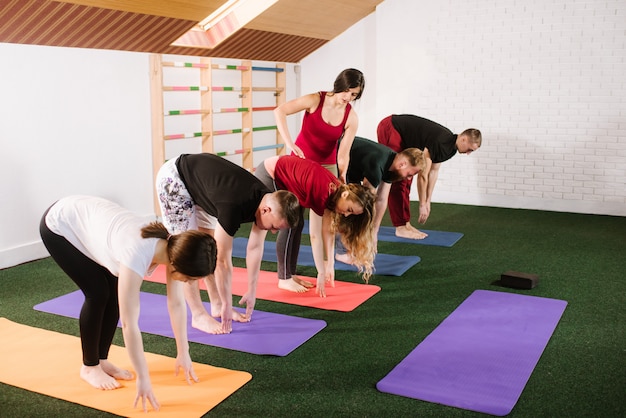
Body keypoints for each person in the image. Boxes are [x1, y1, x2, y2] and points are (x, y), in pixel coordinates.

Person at [39, 195, 217, 412]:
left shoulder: (174, 249)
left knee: (112, 293)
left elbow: (177, 304)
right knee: (97, 293)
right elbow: (130, 323)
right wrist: (143, 378)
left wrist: (183, 352)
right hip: (60, 226)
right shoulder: (136, 255)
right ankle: (89, 366)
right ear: (177, 265)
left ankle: (101, 360)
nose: (188, 283)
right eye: (189, 278)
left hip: (94, 225)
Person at [156, 153, 300, 335]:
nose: (272, 231)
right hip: (175, 179)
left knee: (208, 246)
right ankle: (198, 314)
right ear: (266, 210)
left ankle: (215, 304)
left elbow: (255, 248)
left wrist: (251, 291)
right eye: (273, 226)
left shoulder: (266, 198)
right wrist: (228, 303)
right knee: (190, 253)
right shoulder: (234, 207)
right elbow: (222, 260)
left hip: (202, 185)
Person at [255, 155, 376, 297]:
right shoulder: (323, 191)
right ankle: (284, 278)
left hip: (290, 180)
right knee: (289, 224)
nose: (346, 215)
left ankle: (291, 274)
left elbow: (328, 231)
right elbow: (315, 236)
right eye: (349, 210)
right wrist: (320, 271)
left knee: (297, 224)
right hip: (272, 174)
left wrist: (330, 263)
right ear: (344, 195)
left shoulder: (335, 193)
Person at [377, 114, 482, 239]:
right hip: (392, 127)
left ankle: (405, 224)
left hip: (403, 135)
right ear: (464, 139)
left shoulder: (451, 149)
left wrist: (428, 201)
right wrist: (422, 204)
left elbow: (433, 172)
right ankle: (400, 227)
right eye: (469, 149)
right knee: (399, 178)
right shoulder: (441, 141)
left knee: (407, 180)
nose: (468, 153)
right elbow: (423, 174)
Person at [335, 136, 426, 264]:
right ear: (403, 164)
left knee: (357, 210)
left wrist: (374, 233)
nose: (409, 179)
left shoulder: (392, 164)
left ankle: (349, 248)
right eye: (410, 174)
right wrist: (366, 237)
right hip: (334, 156)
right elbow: (365, 204)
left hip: (352, 168)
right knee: (350, 208)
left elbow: (381, 200)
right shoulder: (377, 164)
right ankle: (342, 252)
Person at [274, 68, 365, 183]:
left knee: (329, 199)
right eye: (346, 90)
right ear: (339, 84)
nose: (347, 97)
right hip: (302, 159)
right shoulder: (315, 99)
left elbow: (343, 154)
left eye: (353, 94)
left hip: (328, 165)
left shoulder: (352, 118)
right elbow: (280, 111)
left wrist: (342, 176)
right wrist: (289, 143)